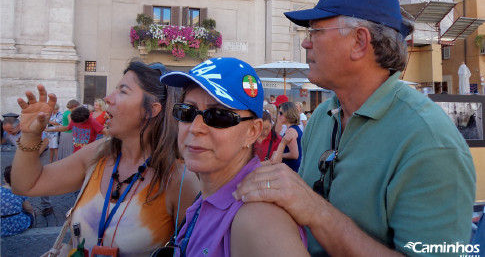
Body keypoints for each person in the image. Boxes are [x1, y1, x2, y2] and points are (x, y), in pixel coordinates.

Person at [234, 0, 476, 256]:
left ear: (359, 41)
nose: (306, 44)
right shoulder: (324, 115)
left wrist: (317, 211)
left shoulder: (430, 142)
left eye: (315, 32)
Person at [11, 60, 200, 256]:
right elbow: (26, 185)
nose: (108, 98)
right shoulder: (98, 154)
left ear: (151, 110)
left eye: (123, 91)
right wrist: (31, 135)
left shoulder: (179, 179)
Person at [159, 57, 309, 257]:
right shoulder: (211, 195)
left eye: (218, 115)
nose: (195, 128)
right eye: (187, 111)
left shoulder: (259, 219)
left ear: (252, 131)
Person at [1, 166, 34, 237]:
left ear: (5, 179)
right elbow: (29, 208)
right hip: (17, 226)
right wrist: (32, 215)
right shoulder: (19, 191)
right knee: (26, 212)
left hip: (1, 226)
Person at [272, 102, 302, 172]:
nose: (279, 115)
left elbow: (294, 155)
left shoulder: (290, 131)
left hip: (291, 169)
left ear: (288, 113)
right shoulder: (295, 128)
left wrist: (278, 153)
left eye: (281, 113)